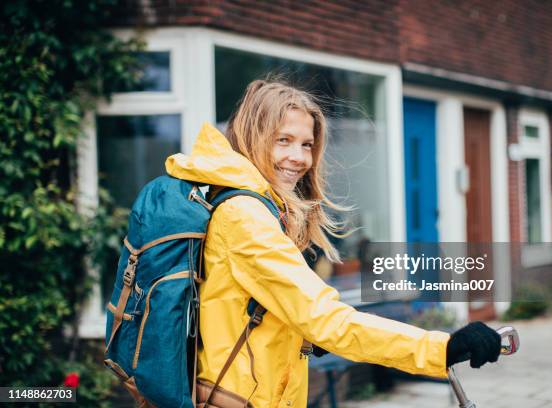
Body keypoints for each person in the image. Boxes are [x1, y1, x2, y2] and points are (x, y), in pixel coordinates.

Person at [165, 79, 500, 407]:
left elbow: (244, 305)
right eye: (283, 140)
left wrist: (303, 334)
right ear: (254, 138)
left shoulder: (247, 204)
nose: (298, 157)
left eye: (306, 144)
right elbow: (324, 318)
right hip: (244, 398)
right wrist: (441, 347)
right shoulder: (245, 216)